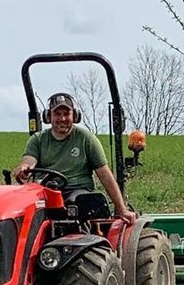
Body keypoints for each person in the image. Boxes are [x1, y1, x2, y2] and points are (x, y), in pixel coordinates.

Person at [12, 92, 132, 221]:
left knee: (78, 203)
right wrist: (24, 168)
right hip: (46, 193)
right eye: (57, 114)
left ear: (74, 116)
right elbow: (29, 161)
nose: (62, 119)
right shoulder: (38, 140)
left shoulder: (86, 138)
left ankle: (84, 238)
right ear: (48, 117)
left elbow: (104, 173)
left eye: (66, 114)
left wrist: (121, 208)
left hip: (77, 190)